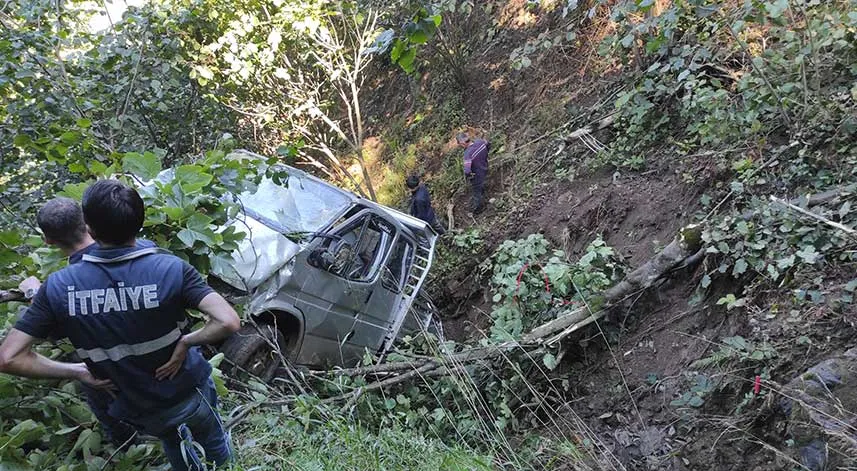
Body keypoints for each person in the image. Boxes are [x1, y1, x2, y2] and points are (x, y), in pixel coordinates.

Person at [0, 180, 241, 470]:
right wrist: (187, 341)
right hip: (191, 388)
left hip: (144, 407)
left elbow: (9, 357)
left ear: (89, 226)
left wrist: (77, 371)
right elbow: (228, 321)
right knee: (214, 440)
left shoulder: (59, 287)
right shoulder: (169, 267)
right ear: (139, 223)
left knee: (177, 448)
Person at [16, 197, 154, 447]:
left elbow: (57, 331)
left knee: (122, 428)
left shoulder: (63, 284)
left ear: (48, 240)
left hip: (114, 374)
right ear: (88, 224)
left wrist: (34, 293)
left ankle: (130, 448)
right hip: (161, 361)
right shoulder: (143, 247)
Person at [457, 132, 489, 214]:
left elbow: (467, 170)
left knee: (476, 192)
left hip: (477, 175)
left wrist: (468, 176)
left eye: (459, 144)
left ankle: (478, 209)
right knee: (482, 183)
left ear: (462, 143)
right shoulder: (480, 142)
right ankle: (483, 189)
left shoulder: (467, 154)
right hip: (485, 167)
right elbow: (488, 144)